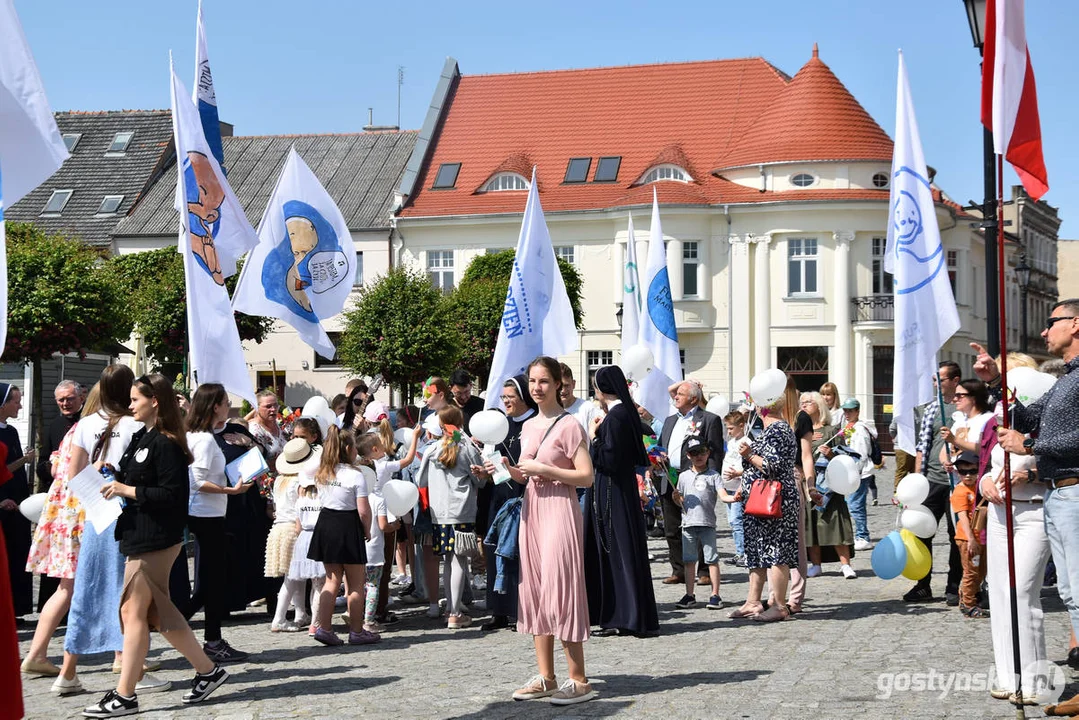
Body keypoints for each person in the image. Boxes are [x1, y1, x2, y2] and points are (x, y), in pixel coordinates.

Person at [84, 373, 229, 717]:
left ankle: (125, 695)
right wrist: (111, 473)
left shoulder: (166, 443)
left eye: (136, 399)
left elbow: (172, 496)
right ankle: (208, 671)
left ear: (155, 402)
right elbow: (135, 477)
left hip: (156, 539)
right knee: (158, 614)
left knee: (132, 613)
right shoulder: (143, 437)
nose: (130, 404)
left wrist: (125, 490)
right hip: (139, 535)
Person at [974, 305, 1079, 715]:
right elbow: (1026, 416)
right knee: (1070, 592)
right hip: (1058, 493)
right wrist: (996, 384)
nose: (1043, 329)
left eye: (1051, 322)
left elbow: (1047, 437)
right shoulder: (1066, 380)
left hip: (1072, 489)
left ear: (1076, 323)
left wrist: (1032, 448)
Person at [506, 357, 597, 706]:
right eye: (532, 381)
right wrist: (515, 473)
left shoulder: (570, 424)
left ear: (559, 383)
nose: (536, 387)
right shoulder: (528, 426)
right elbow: (530, 472)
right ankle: (546, 677)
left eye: (543, 381)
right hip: (533, 508)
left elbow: (586, 476)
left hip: (560, 508)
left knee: (562, 587)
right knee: (536, 589)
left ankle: (579, 679)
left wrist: (545, 468)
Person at [582, 365, 658, 636]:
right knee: (622, 549)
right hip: (620, 487)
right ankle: (627, 614)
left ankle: (624, 616)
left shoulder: (616, 417)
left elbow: (609, 459)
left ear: (602, 390)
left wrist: (593, 438)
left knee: (617, 550)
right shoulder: (623, 414)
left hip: (612, 489)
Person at [980, 442, 1050, 703]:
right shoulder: (1002, 412)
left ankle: (1036, 682)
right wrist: (985, 481)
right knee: (998, 593)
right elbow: (988, 463)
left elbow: (1066, 464)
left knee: (1021, 592)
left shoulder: (1049, 414)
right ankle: (1009, 677)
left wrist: (1031, 474)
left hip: (1035, 509)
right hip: (999, 512)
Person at [185, 384, 251, 661]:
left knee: (213, 580)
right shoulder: (202, 439)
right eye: (225, 402)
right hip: (205, 515)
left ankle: (209, 636)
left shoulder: (197, 436)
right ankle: (202, 635)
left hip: (209, 514)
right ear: (215, 406)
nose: (229, 406)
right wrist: (230, 491)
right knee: (211, 582)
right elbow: (197, 481)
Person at [729, 390, 799, 623]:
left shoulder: (778, 430)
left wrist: (749, 454)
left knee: (777, 550)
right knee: (757, 549)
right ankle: (753, 601)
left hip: (775, 500)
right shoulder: (771, 430)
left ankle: (779, 605)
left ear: (764, 408)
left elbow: (773, 466)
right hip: (759, 498)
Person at [472, 374, 534, 632]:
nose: (506, 402)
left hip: (524, 496)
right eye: (504, 397)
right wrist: (485, 472)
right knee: (495, 550)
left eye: (511, 397)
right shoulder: (501, 424)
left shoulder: (533, 423)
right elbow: (497, 464)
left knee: (519, 555)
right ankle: (499, 610)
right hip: (499, 497)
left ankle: (521, 608)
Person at [416, 406, 485, 629]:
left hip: (439, 513)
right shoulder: (466, 447)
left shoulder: (432, 449)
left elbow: (421, 481)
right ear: (460, 422)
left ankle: (449, 608)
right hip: (461, 511)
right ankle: (455, 612)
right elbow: (480, 480)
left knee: (447, 561)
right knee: (459, 561)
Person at [307, 426, 376, 647]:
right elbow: (363, 510)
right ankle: (357, 631)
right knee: (356, 583)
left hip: (326, 524)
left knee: (331, 580)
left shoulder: (323, 472)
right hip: (348, 524)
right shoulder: (355, 475)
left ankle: (324, 627)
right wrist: (367, 529)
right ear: (348, 448)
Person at [908, 361, 964, 604]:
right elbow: (922, 446)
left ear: (955, 380)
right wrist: (917, 479)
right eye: (934, 380)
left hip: (959, 481)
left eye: (940, 380)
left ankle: (954, 586)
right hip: (932, 480)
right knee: (922, 532)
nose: (936, 384)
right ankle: (923, 584)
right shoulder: (931, 409)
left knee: (956, 535)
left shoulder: (965, 407)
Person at [657, 381, 724, 585]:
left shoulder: (708, 419)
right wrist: (658, 456)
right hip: (670, 477)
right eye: (676, 394)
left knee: (699, 524)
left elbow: (715, 451)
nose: (675, 396)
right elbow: (661, 445)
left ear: (693, 399)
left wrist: (709, 479)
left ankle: (704, 571)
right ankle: (679, 570)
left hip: (696, 478)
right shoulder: (669, 420)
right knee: (672, 527)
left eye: (681, 394)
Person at [801, 392, 856, 580]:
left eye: (808, 402)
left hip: (829, 485)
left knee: (834, 523)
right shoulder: (801, 431)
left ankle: (845, 564)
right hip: (808, 483)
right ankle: (815, 565)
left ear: (818, 405)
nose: (804, 405)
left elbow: (846, 456)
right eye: (802, 402)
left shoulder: (831, 431)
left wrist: (831, 454)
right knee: (811, 525)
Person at [672, 438, 723, 610]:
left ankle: (715, 594)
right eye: (694, 453)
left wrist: (734, 497)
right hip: (688, 524)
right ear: (688, 456)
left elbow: (722, 495)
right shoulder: (683, 476)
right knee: (689, 561)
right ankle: (689, 594)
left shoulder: (714, 475)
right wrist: (676, 499)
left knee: (712, 560)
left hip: (707, 523)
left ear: (708, 453)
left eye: (702, 452)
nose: (699, 456)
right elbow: (681, 501)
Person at [268, 439, 312, 633]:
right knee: (292, 577)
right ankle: (279, 618)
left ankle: (300, 613)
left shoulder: (279, 480)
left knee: (296, 575)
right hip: (294, 528)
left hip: (279, 527)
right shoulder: (299, 482)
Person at [0, 384, 34, 622]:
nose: (20, 405)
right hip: (2, 503)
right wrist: (24, 460)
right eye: (16, 401)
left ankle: (16, 608)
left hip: (17, 503)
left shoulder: (10, 431)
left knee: (18, 556)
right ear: (2, 404)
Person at [949, 451, 986, 618]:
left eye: (972, 471)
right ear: (958, 473)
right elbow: (962, 516)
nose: (968, 475)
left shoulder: (978, 487)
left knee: (981, 571)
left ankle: (970, 597)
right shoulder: (960, 491)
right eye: (964, 472)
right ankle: (967, 604)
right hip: (967, 538)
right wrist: (971, 539)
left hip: (981, 538)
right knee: (971, 571)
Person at [289, 471, 325, 636]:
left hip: (304, 538)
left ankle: (316, 620)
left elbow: (298, 528)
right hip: (318, 538)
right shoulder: (323, 499)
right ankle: (316, 623)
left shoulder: (300, 501)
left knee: (315, 584)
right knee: (319, 585)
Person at [939, 379, 996, 481]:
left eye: (959, 395)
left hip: (980, 483)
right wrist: (945, 462)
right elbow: (945, 449)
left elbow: (986, 449)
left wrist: (955, 440)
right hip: (957, 484)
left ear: (974, 397)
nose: (955, 399)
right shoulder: (959, 420)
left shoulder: (989, 420)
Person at [839, 398, 876, 552]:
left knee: (856, 506)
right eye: (845, 410)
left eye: (850, 410)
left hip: (860, 473)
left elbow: (860, 454)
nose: (847, 413)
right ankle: (860, 534)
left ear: (857, 411)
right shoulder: (849, 427)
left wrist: (853, 473)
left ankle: (863, 536)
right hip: (854, 472)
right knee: (854, 505)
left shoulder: (859, 429)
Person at [720, 411, 748, 567]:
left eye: (731, 428)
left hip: (739, 487)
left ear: (741, 426)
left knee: (737, 520)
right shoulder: (731, 442)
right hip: (729, 486)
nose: (728, 431)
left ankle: (743, 553)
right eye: (727, 428)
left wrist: (738, 473)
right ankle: (739, 551)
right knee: (732, 521)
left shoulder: (746, 442)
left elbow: (750, 465)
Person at [558, 363, 602, 438]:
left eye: (566, 385)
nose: (563, 390)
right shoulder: (548, 411)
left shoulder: (588, 408)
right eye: (560, 386)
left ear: (573, 384)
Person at [449, 369, 485, 434]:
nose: (463, 397)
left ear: (471, 385)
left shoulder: (482, 405)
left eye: (466, 392)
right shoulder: (445, 408)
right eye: (458, 393)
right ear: (450, 389)